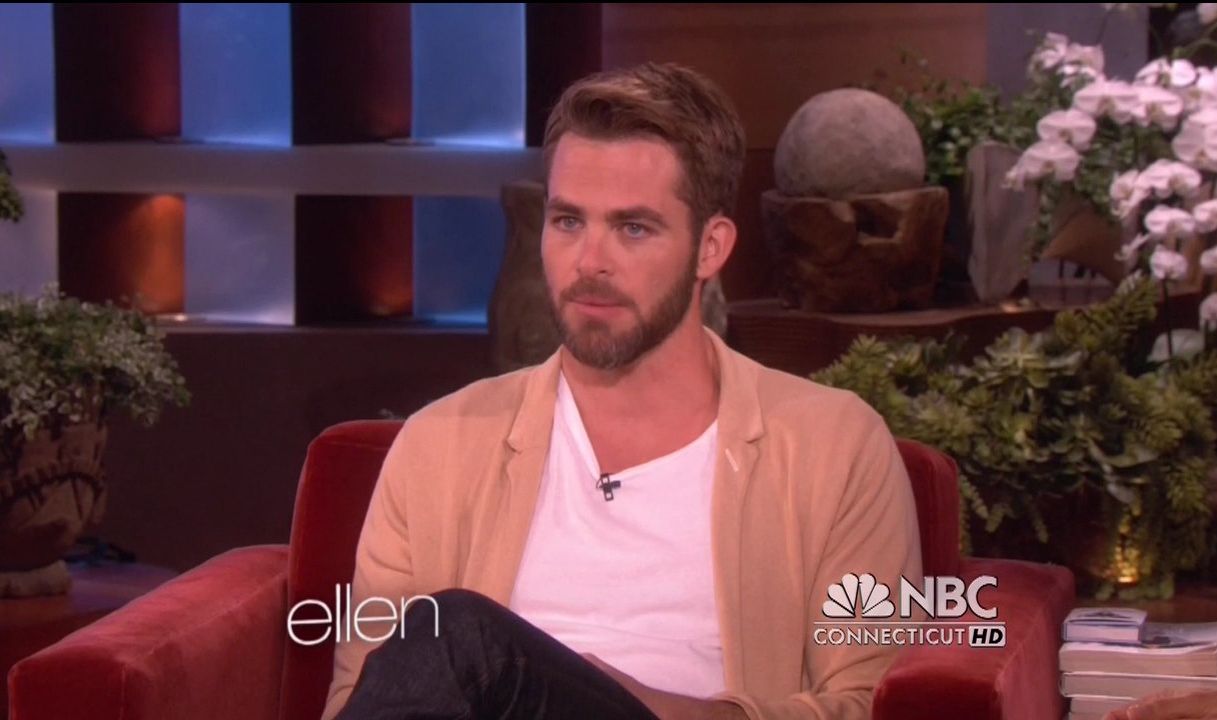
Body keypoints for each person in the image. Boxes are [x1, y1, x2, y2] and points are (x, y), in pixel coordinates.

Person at [322, 62, 922, 720]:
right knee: (451, 642)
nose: (589, 263)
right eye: (567, 222)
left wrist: (625, 703)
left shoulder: (835, 448)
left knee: (460, 636)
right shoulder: (438, 447)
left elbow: (867, 703)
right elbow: (367, 695)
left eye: (633, 227)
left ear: (710, 247)